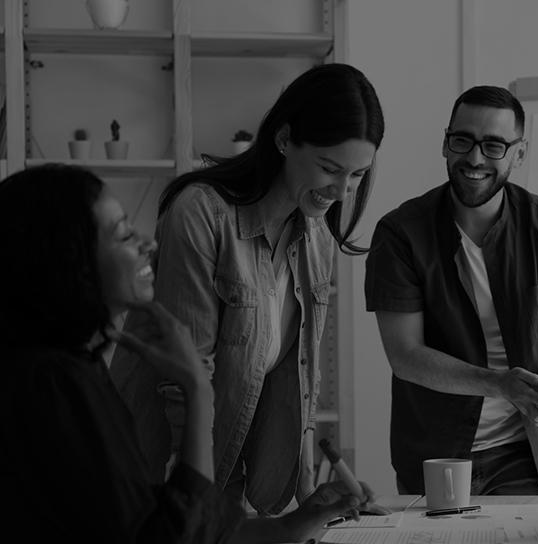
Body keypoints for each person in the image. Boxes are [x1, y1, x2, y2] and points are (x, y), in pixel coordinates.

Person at [0, 164, 375, 544]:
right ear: (69, 260)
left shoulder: (75, 367)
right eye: (125, 234)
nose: (147, 245)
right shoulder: (51, 387)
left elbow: (156, 524)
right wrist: (197, 390)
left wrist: (291, 526)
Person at [109, 63, 386, 515]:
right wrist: (206, 504)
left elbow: (301, 379)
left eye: (356, 175)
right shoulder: (201, 214)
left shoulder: (316, 236)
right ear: (283, 139)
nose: (341, 191)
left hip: (224, 485)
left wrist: (311, 495)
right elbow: (185, 380)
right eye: (329, 168)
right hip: (157, 475)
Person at [364, 85, 538, 496]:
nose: (474, 157)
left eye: (493, 145)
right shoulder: (400, 233)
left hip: (528, 449)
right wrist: (499, 384)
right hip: (436, 454)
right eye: (462, 140)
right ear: (446, 144)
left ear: (518, 154)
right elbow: (405, 356)